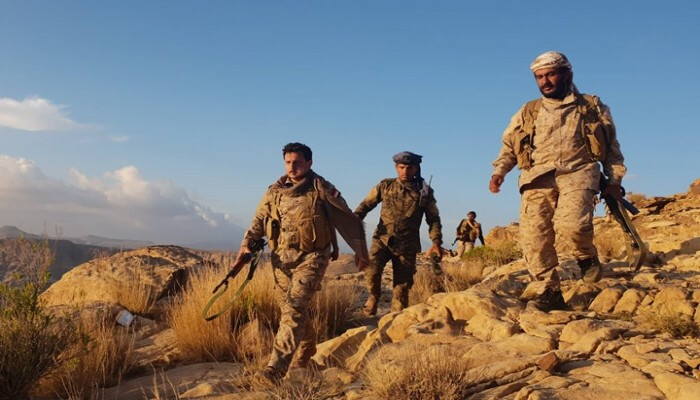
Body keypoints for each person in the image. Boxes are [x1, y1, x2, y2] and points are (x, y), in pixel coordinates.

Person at [489, 51, 626, 311]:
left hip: (579, 173)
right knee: (533, 239)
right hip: (536, 178)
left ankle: (585, 256)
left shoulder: (591, 107)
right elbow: (509, 146)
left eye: (551, 74)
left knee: (572, 225)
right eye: (539, 77)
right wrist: (500, 172)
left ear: (567, 74)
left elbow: (612, 149)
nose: (545, 81)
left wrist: (614, 180)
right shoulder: (528, 111)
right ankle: (549, 291)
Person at [236, 142, 368, 384]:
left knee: (294, 307)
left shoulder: (321, 188)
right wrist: (247, 243)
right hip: (281, 260)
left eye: (297, 162)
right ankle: (307, 346)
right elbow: (259, 219)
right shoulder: (275, 191)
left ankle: (274, 370)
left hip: (313, 258)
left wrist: (360, 251)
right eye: (288, 162)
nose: (292, 167)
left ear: (309, 163)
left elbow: (346, 216)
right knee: (289, 309)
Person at [355, 151, 443, 315]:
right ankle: (374, 296)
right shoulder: (385, 186)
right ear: (396, 167)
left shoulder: (424, 192)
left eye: (409, 168)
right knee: (372, 271)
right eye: (401, 167)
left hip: (407, 245)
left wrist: (436, 242)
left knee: (402, 287)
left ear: (416, 169)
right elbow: (366, 205)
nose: (405, 171)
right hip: (382, 239)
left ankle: (396, 317)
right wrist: (355, 219)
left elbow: (433, 219)